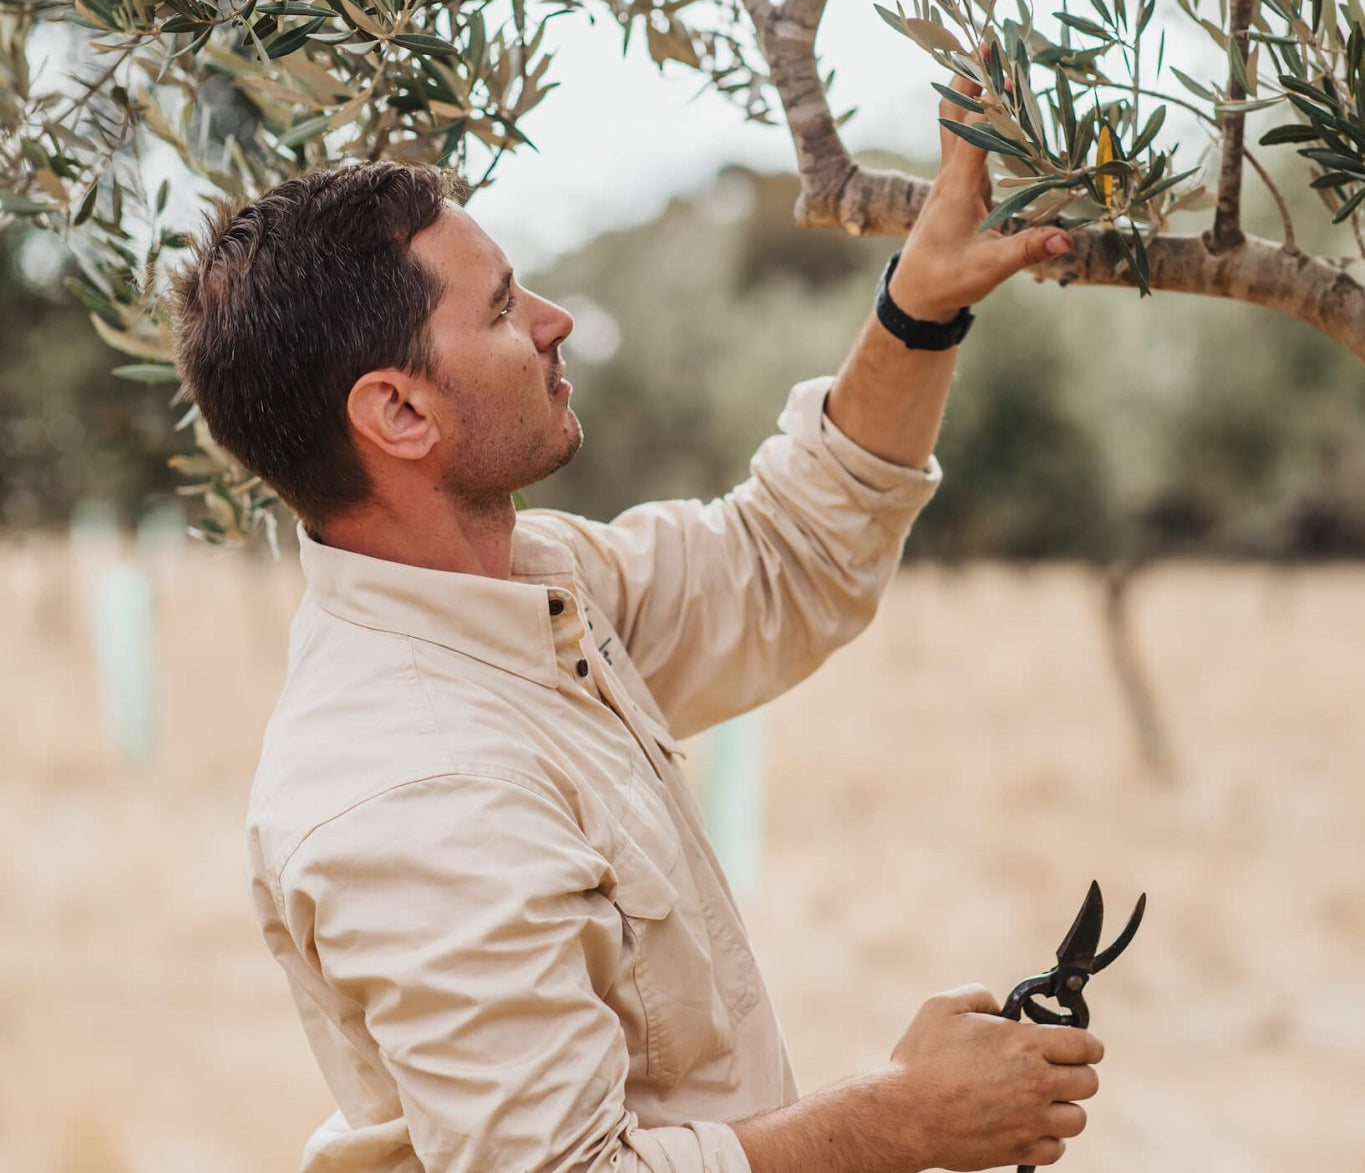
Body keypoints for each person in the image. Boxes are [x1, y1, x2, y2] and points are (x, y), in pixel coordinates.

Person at [172, 77, 1099, 1173]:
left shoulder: (535, 586)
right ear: (400, 412)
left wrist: (921, 306)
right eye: (507, 310)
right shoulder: (418, 792)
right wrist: (902, 1120)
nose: (557, 323)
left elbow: (783, 564)